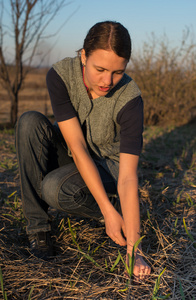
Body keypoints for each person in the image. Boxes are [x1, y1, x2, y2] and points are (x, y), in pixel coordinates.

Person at [15, 21, 151, 279]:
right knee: (29, 122)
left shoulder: (131, 99)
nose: (107, 81)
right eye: (100, 69)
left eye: (118, 72)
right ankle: (39, 231)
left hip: (109, 167)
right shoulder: (60, 75)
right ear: (84, 55)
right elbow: (76, 147)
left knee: (55, 189)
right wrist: (106, 210)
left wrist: (135, 250)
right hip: (75, 152)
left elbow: (128, 176)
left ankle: (116, 215)